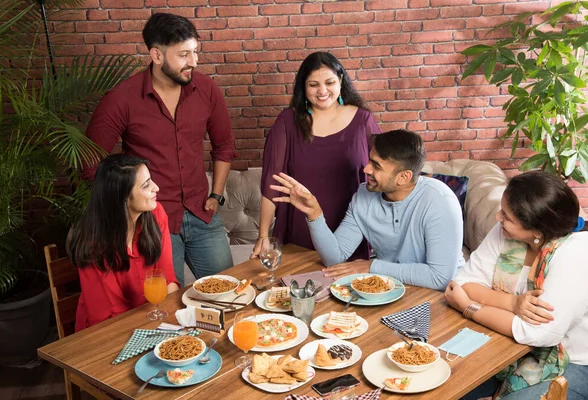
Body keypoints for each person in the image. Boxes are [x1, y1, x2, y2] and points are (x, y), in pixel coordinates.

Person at [81, 13, 235, 285]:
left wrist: (217, 194)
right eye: (184, 55)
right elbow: (90, 164)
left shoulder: (207, 89)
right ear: (157, 55)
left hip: (202, 213)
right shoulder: (121, 99)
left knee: (228, 294)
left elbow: (223, 145)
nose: (194, 62)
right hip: (151, 223)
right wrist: (129, 211)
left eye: (195, 52)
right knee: (165, 309)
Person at [445, 171, 588, 399]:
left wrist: (468, 307)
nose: (497, 217)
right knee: (446, 384)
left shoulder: (575, 255)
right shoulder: (506, 231)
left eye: (507, 216)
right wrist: (512, 303)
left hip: (571, 361)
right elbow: (464, 283)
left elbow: (538, 333)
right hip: (507, 346)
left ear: (538, 232)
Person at [270, 129, 465, 291]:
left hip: (445, 296)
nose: (366, 169)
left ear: (403, 177)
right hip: (389, 289)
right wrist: (314, 214)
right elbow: (334, 258)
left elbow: (440, 278)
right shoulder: (364, 195)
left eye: (376, 166)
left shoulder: (440, 201)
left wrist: (371, 266)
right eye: (370, 160)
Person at [252, 51, 382, 261]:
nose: (322, 91)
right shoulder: (288, 122)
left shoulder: (363, 120)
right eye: (313, 85)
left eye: (329, 82)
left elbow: (384, 171)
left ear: (340, 80)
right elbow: (271, 183)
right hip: (299, 226)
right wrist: (263, 235)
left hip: (350, 229)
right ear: (303, 86)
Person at [70, 155, 179, 331]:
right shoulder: (94, 242)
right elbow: (111, 315)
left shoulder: (156, 214)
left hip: (150, 319)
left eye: (151, 181)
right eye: (146, 185)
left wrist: (175, 325)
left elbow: (167, 280)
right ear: (123, 197)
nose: (156, 188)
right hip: (106, 332)